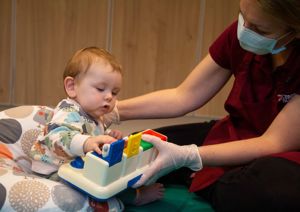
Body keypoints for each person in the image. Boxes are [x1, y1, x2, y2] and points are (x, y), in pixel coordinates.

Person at [117, 0, 300, 211]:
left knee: (274, 190)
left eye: (259, 28)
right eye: (242, 16)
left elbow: (273, 143)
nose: (244, 30)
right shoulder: (241, 34)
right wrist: (113, 110)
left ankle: (207, 180)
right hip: (235, 133)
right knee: (137, 150)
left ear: (294, 30)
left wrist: (190, 156)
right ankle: (200, 173)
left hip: (282, 157)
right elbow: (184, 96)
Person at [30, 47, 164, 207]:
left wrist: (109, 136)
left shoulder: (93, 114)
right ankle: (135, 197)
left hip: (74, 166)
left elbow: (92, 131)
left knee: (113, 169)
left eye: (114, 92)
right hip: (54, 172)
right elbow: (57, 137)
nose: (109, 96)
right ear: (72, 87)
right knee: (105, 183)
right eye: (101, 89)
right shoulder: (67, 111)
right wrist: (87, 143)